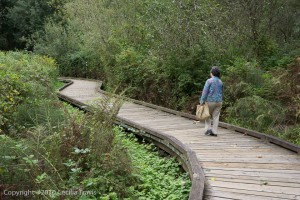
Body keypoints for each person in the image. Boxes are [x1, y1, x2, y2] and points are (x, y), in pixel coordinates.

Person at [199, 66, 223, 136]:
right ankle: (215, 132)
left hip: (210, 101)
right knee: (216, 116)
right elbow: (222, 92)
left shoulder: (209, 81)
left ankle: (208, 129)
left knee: (207, 115)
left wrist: (202, 101)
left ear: (212, 73)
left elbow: (205, 92)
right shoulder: (220, 81)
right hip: (219, 101)